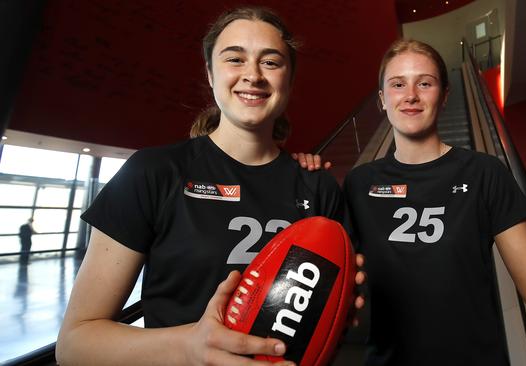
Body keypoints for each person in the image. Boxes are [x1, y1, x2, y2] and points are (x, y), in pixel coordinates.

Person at [56, 7, 363, 365]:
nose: (253, 75)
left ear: (290, 80)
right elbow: (75, 345)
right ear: (210, 72)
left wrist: (337, 309)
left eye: (271, 62)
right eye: (235, 58)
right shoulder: (154, 172)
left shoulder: (318, 188)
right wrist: (190, 346)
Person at [298, 39, 526, 365]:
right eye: (398, 84)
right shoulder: (360, 183)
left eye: (424, 83)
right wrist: (298, 174)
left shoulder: (485, 173)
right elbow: (325, 279)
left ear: (444, 96)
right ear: (383, 100)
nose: (410, 95)